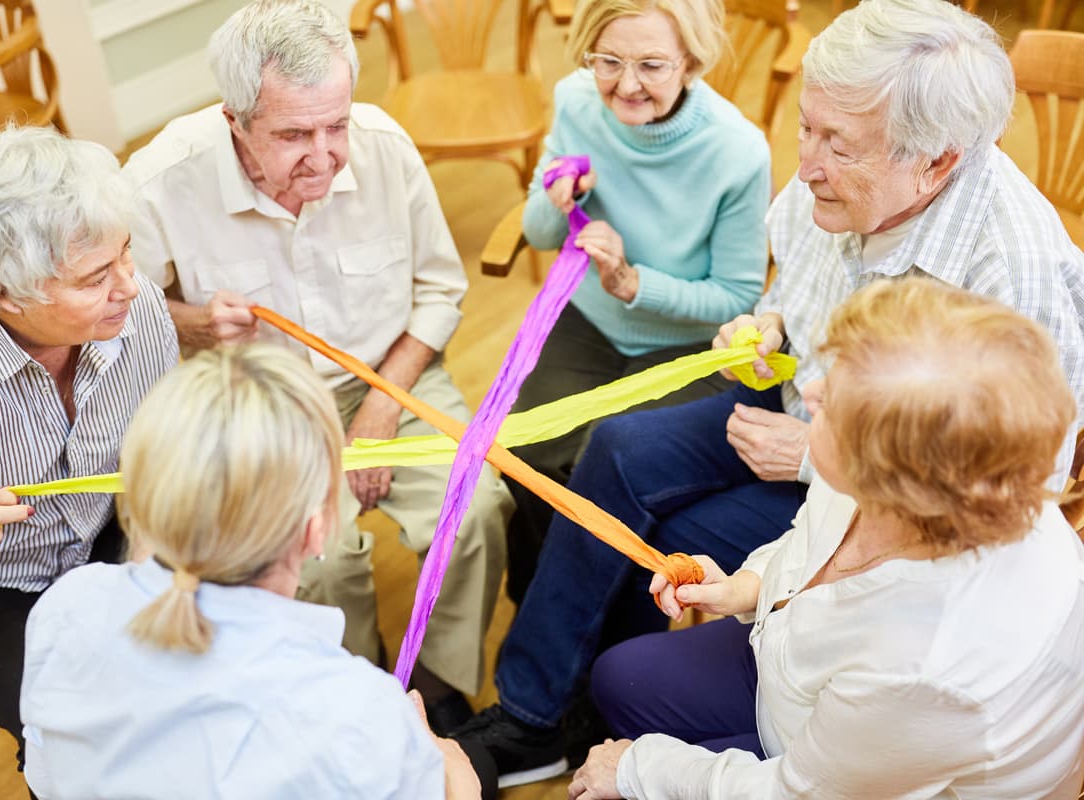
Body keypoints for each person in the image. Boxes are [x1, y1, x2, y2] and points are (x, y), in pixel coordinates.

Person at [452, 0, 1084, 786]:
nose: (807, 163)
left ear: (936, 163)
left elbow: (1011, 498)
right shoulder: (849, 172)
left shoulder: (1011, 280)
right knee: (612, 448)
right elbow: (789, 293)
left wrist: (820, 463)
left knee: (670, 535)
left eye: (836, 145)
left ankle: (613, 710)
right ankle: (535, 716)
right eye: (806, 129)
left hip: (874, 492)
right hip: (798, 417)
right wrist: (765, 330)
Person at [121, 0, 513, 733]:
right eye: (295, 134)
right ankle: (354, 701)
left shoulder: (385, 148)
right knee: (321, 561)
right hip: (258, 404)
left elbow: (438, 290)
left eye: (337, 124)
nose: (328, 155)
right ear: (234, 119)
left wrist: (382, 404)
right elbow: (121, 322)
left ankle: (434, 687)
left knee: (478, 509)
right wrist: (198, 325)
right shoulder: (159, 181)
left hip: (389, 377)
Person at [571, 278, 1084, 799]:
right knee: (618, 678)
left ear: (896, 472)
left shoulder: (930, 668)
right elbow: (807, 537)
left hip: (844, 774)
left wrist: (639, 768)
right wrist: (747, 586)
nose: (811, 390)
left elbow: (796, 791)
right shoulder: (908, 487)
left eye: (836, 395)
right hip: (814, 693)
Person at [21, 344, 495, 799]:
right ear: (316, 529)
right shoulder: (354, 711)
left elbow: (47, 781)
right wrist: (453, 772)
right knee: (481, 766)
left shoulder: (66, 605)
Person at [0, 125, 178, 768]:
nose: (130, 285)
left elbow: (160, 452)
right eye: (96, 275)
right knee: (79, 737)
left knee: (199, 674)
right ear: (2, 294)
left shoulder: (135, 308)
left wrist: (152, 577)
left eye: (126, 253)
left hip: (107, 530)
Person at [504, 0, 769, 604]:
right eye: (608, 61)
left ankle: (598, 624)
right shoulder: (576, 100)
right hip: (591, 322)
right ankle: (538, 605)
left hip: (685, 345)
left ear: (692, 62)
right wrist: (555, 195)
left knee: (600, 471)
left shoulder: (737, 152)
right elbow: (544, 235)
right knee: (521, 450)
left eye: (651, 65)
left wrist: (633, 285)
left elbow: (737, 296)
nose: (626, 85)